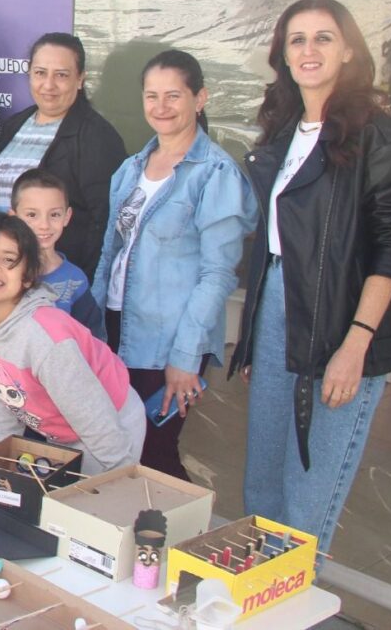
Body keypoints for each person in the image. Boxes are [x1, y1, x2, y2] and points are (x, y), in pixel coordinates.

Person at [229, 0, 391, 553]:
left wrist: (357, 345)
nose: (309, 50)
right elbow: (272, 244)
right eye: (297, 39)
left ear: (350, 49)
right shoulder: (281, 135)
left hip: (344, 323)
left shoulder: (380, 138)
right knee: (261, 493)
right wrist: (258, 334)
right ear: (283, 55)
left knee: (305, 507)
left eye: (323, 38)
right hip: (279, 314)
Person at [92, 50, 256, 480]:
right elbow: (110, 254)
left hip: (168, 340)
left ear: (199, 98)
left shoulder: (216, 173)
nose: (161, 107)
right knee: (115, 447)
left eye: (173, 95)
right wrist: (90, 328)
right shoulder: (130, 169)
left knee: (154, 452)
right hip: (113, 326)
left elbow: (218, 274)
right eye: (151, 96)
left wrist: (185, 356)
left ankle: (180, 541)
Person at [0, 214, 146, 475]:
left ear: (28, 276)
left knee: (90, 503)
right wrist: (2, 456)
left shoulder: (44, 338)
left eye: (9, 260)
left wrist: (120, 476)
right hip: (60, 428)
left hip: (109, 424)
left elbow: (93, 416)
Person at [0, 32, 126, 278]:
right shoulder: (16, 124)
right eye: (40, 73)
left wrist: (83, 287)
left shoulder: (97, 137)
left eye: (61, 75)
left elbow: (106, 224)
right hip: (2, 275)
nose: (48, 85)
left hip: (55, 280)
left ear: (80, 80)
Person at [12, 169, 106, 340]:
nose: (44, 225)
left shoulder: (75, 279)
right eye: (32, 215)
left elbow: (93, 340)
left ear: (67, 216)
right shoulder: (4, 273)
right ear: (13, 217)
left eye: (54, 214)